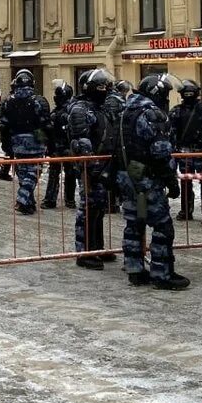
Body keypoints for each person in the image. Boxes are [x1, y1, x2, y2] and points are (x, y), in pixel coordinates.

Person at [112, 73, 189, 290]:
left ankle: (135, 269)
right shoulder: (152, 114)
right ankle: (162, 273)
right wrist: (171, 181)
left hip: (127, 176)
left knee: (134, 224)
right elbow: (160, 152)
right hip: (147, 179)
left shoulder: (126, 110)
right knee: (163, 226)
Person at [69, 69, 119, 269]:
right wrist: (90, 166)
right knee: (88, 210)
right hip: (90, 169)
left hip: (104, 166)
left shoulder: (102, 107)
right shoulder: (80, 109)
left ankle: (97, 247)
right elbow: (81, 141)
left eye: (106, 87)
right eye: (101, 87)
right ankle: (84, 252)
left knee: (99, 209)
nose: (105, 90)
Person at [0, 69, 51, 215]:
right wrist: (48, 141)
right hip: (36, 142)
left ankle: (29, 204)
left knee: (23, 173)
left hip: (17, 142)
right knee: (34, 172)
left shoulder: (8, 101)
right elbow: (46, 123)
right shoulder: (38, 101)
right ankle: (23, 199)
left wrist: (6, 144)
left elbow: (3, 124)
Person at [169, 80, 202, 222]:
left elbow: (172, 133)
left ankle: (188, 211)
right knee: (201, 183)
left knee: (191, 183)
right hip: (196, 152)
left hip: (189, 152)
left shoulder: (177, 110)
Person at [43, 84, 75, 210]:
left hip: (61, 148)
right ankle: (69, 199)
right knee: (67, 174)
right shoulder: (68, 111)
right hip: (62, 148)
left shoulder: (62, 113)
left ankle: (52, 200)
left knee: (56, 174)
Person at [0, 93, 14, 182]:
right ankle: (4, 173)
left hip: (7, 131)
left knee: (9, 153)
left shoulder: (6, 100)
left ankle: (4, 172)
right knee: (10, 153)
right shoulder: (11, 100)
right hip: (9, 131)